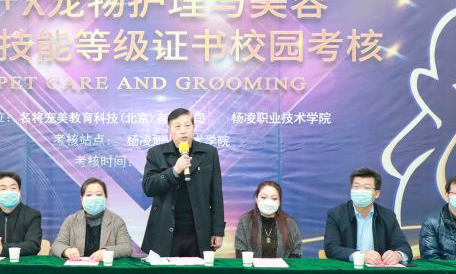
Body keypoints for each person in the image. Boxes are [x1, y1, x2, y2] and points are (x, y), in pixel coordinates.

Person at [141, 108, 225, 257]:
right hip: (165, 230)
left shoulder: (209, 153)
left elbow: (216, 195)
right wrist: (174, 171)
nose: (183, 131)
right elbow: (148, 187)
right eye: (177, 126)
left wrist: (218, 230)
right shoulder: (156, 153)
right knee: (166, 272)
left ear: (193, 127)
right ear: (170, 130)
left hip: (199, 231)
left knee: (197, 272)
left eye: (187, 125)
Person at [323, 167, 410, 265]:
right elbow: (331, 248)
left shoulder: (388, 216)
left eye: (367, 187)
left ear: (376, 194)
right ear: (351, 190)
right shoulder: (336, 214)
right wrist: (360, 256)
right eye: (356, 186)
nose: (360, 191)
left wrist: (398, 255)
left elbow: (404, 247)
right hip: (347, 270)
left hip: (378, 271)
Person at [52, 178, 133, 261]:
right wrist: (66, 250)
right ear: (81, 198)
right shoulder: (71, 220)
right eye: (89, 195)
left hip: (105, 267)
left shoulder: (116, 221)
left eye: (98, 195)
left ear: (105, 197)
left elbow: (127, 248)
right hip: (78, 267)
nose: (94, 199)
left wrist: (107, 252)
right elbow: (57, 245)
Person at [234, 180, 302, 258]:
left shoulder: (290, 223)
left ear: (279, 201)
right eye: (263, 197)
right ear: (256, 199)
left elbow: (296, 253)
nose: (268, 202)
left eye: (274, 198)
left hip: (283, 266)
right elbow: (240, 254)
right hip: (251, 266)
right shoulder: (245, 222)